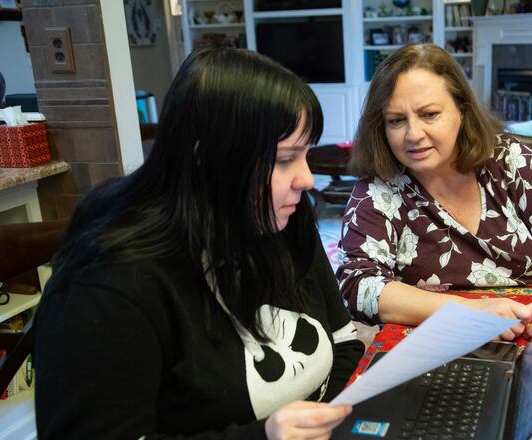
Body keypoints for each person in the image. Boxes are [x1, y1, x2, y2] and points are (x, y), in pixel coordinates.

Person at [34, 47, 364, 439]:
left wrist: (327, 421)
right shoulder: (111, 286)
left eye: (304, 155)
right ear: (205, 157)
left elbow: (344, 340)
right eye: (283, 159)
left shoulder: (281, 220)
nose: (306, 179)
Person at [337, 44, 532, 339]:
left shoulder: (510, 160)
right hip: (442, 348)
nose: (413, 134)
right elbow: (359, 285)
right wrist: (467, 311)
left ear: (462, 110)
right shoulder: (378, 188)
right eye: (396, 120)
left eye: (430, 114)